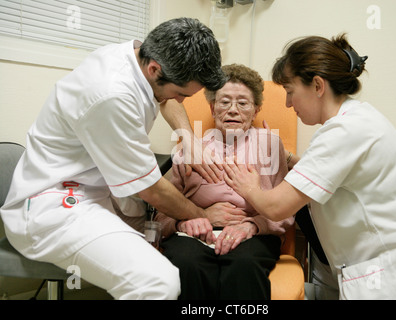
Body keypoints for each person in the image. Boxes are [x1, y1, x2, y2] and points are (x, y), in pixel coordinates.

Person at [0, 17, 247, 300]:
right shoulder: (111, 93)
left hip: (95, 189)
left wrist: (187, 137)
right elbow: (151, 188)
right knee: (158, 282)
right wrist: (202, 214)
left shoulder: (139, 53)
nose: (180, 102)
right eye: (181, 94)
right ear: (155, 69)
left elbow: (163, 98)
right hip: (57, 206)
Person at [223, 34, 396, 299]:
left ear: (317, 86)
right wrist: (286, 158)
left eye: (290, 92)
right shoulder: (356, 119)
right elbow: (333, 175)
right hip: (395, 265)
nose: (287, 104)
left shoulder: (344, 131)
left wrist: (248, 187)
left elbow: (276, 207)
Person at [155, 64, 295, 300]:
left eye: (243, 103)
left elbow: (286, 210)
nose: (232, 110)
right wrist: (182, 223)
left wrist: (252, 225)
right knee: (187, 263)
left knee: (244, 265)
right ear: (212, 108)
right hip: (194, 234)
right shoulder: (191, 148)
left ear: (256, 109)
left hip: (253, 234)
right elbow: (161, 215)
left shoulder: (270, 145)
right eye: (224, 102)